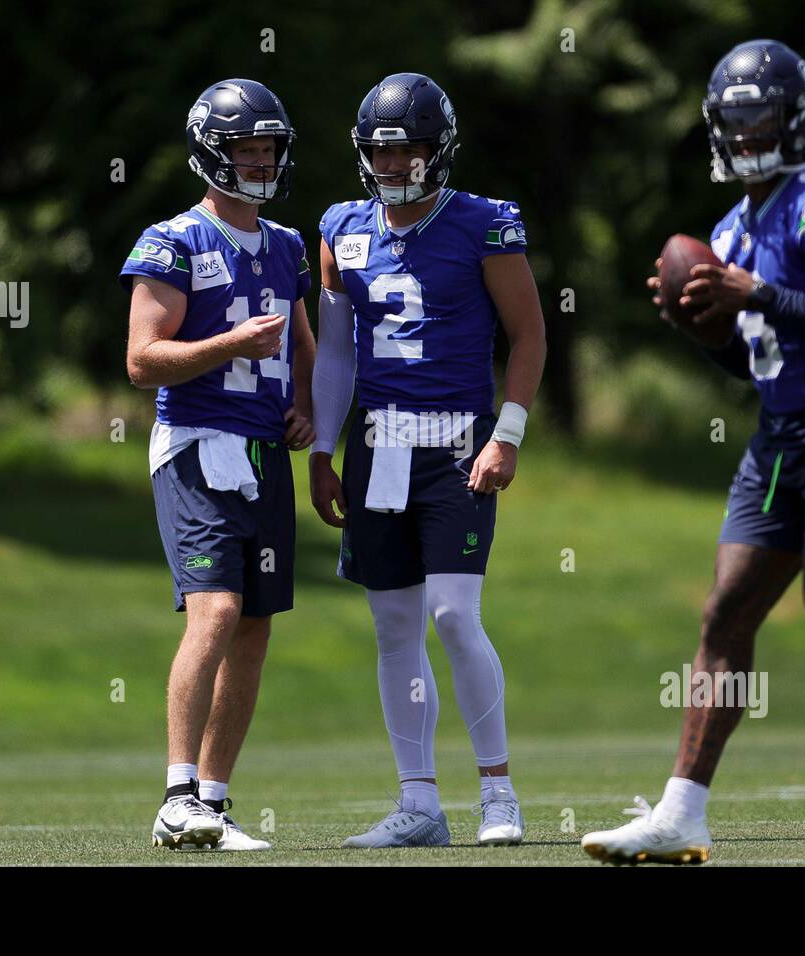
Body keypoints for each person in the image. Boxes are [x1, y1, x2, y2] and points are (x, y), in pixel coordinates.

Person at [582, 40, 805, 866]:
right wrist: (696, 329)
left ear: (796, 119)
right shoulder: (728, 228)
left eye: (763, 116)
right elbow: (754, 361)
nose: (749, 133)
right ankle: (682, 810)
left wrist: (759, 292)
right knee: (727, 612)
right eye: (736, 120)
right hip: (782, 435)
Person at [310, 73, 547, 848]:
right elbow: (339, 350)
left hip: (455, 441)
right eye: (382, 151)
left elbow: (530, 334)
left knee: (452, 612)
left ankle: (498, 793)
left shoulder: (484, 224)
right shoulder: (342, 226)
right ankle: (419, 803)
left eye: (408, 148)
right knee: (393, 626)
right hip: (378, 445)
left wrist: (506, 433)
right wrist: (320, 445)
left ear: (439, 149)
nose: (394, 164)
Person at [121, 78, 314, 852]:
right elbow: (142, 360)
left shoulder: (289, 244)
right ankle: (175, 795)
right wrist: (227, 347)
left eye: (270, 147)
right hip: (198, 443)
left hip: (266, 452)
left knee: (256, 627)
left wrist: (306, 407)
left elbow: (304, 346)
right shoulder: (173, 241)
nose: (262, 160)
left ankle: (214, 799)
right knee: (218, 611)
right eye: (247, 148)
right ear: (212, 154)